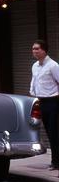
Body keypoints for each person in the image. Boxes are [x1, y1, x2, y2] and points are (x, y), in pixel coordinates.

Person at [30, 39, 59, 170]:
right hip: (41, 101)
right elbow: (34, 81)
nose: (34, 51)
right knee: (48, 132)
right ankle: (55, 161)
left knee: (55, 133)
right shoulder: (35, 66)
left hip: (53, 102)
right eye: (33, 49)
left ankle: (56, 162)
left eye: (37, 49)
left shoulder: (53, 65)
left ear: (44, 50)